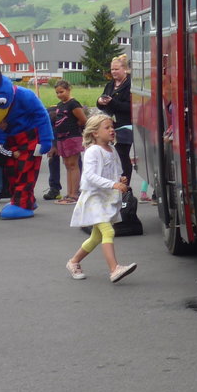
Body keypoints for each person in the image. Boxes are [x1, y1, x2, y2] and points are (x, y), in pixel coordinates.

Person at [65, 114, 137, 283]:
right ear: (95, 133)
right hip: (94, 198)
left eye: (112, 127)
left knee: (96, 237)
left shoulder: (112, 150)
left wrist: (120, 180)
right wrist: (113, 184)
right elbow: (89, 176)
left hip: (107, 199)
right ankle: (114, 269)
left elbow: (117, 171)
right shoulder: (93, 151)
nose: (112, 130)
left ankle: (73, 262)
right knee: (108, 231)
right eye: (107, 127)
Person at [0, 65, 53, 215]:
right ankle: (26, 200)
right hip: (10, 141)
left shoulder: (24, 95)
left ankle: (22, 205)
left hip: (29, 138)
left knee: (26, 171)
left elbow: (41, 115)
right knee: (11, 172)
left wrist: (46, 139)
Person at [48, 80, 86, 204]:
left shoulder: (73, 104)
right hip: (61, 138)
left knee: (73, 165)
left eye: (62, 92)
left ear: (69, 89)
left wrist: (73, 129)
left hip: (72, 137)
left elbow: (82, 120)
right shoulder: (60, 105)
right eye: (57, 92)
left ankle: (74, 194)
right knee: (68, 166)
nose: (59, 94)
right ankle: (69, 193)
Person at [97, 55, 133, 184]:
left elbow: (130, 107)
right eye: (112, 69)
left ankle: (125, 185)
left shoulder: (130, 84)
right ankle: (116, 182)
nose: (113, 72)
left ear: (125, 69)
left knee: (122, 155)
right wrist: (100, 101)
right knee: (114, 155)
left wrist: (112, 102)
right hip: (111, 124)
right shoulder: (110, 84)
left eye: (116, 69)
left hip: (127, 125)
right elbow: (101, 101)